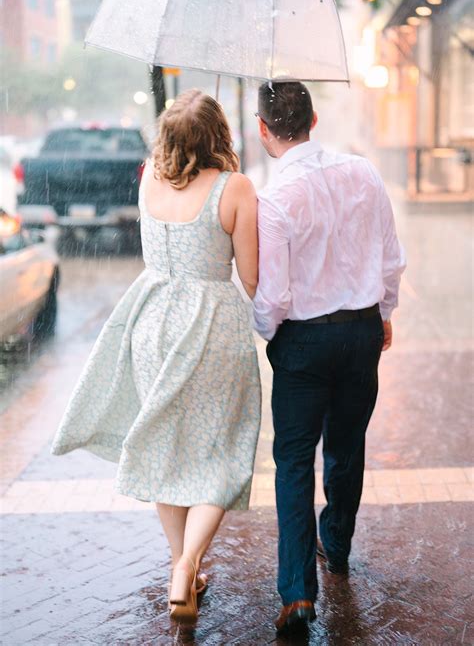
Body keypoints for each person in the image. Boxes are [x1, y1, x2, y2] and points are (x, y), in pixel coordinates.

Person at [52, 89, 262, 624]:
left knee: (167, 451)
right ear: (220, 134)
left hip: (151, 321)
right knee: (222, 455)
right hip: (210, 325)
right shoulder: (234, 188)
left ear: (168, 136)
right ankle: (187, 563)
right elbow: (253, 278)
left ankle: (180, 567)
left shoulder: (148, 177)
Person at [253, 81, 406, 634]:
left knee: (293, 462)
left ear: (264, 129)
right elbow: (391, 257)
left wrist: (265, 331)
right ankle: (336, 543)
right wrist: (382, 312)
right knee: (346, 446)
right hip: (362, 332)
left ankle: (297, 594)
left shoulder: (273, 201)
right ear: (315, 122)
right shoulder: (363, 173)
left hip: (302, 340)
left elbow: (272, 298)